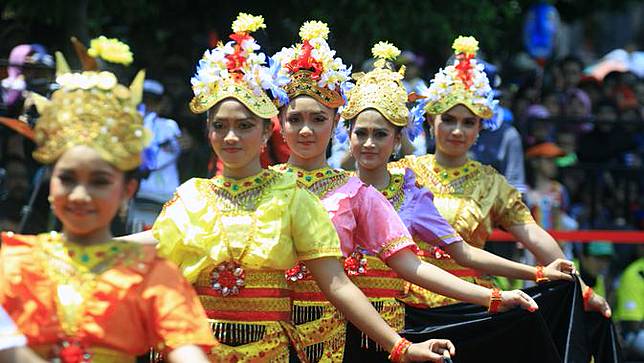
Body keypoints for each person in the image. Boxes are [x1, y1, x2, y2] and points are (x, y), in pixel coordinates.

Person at [147, 14, 455, 362]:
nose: (231, 136)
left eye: (244, 126)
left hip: (291, 343)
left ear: (265, 133)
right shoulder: (192, 194)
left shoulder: (295, 195)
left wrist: (402, 345)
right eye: (221, 126)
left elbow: (347, 281)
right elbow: (150, 247)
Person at [271, 27, 539, 361]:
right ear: (279, 122)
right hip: (268, 335)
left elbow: (412, 266)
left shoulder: (357, 193)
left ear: (335, 122)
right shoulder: (265, 186)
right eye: (294, 118)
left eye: (318, 118)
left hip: (344, 335)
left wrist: (499, 295)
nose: (306, 129)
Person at [0, 54, 216, 361]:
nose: (80, 195)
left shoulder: (151, 275)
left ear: (127, 189)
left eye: (99, 181)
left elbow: (187, 351)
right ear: (50, 183)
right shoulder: (13, 263)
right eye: (67, 178)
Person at [391, 35, 612, 316]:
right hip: (403, 303)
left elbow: (532, 234)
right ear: (431, 122)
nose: (457, 131)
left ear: (481, 129)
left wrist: (580, 286)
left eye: (468, 122)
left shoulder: (491, 183)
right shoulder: (402, 173)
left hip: (469, 307)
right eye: (448, 119)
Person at [128, 79, 182, 232]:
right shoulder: (130, 126)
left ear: (160, 104)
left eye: (152, 102)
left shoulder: (169, 125)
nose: (147, 106)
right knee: (136, 236)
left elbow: (163, 157)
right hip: (139, 194)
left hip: (163, 194)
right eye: (143, 101)